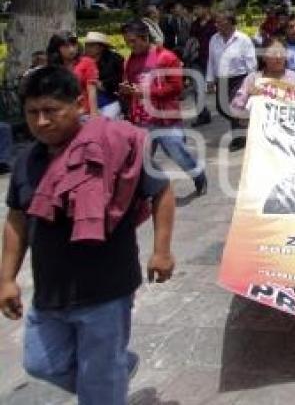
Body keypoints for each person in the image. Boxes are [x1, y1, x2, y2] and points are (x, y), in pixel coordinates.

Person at [0, 66, 176, 404]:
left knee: (99, 387)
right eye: (32, 113)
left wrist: (162, 251)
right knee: (41, 364)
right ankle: (117, 369)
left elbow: (162, 192)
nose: (41, 122)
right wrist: (7, 278)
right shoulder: (27, 161)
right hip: (50, 291)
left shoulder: (117, 144)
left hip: (105, 290)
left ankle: (108, 380)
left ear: (79, 104)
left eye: (51, 111)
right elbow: (17, 219)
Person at [121, 20, 207, 196]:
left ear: (145, 38)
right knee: (141, 157)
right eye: (127, 42)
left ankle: (198, 175)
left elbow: (176, 87)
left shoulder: (166, 57)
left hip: (164, 117)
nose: (131, 45)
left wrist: (145, 92)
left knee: (176, 152)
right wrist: (127, 91)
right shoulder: (130, 60)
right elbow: (132, 84)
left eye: (133, 41)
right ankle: (146, 192)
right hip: (141, 117)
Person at [207, 11, 258, 152]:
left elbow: (251, 63)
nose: (217, 24)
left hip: (239, 78)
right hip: (221, 79)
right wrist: (209, 80)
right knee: (221, 108)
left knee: (234, 107)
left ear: (230, 22)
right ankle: (243, 124)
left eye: (220, 21)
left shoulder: (243, 39)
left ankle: (239, 138)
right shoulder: (214, 39)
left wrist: (253, 81)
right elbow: (211, 61)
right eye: (216, 21)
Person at [230, 37, 295, 119]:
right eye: (273, 53)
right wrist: (247, 97)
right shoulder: (252, 79)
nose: (278, 57)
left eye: (282, 52)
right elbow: (234, 111)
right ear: (264, 57)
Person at [46, 30, 98, 118]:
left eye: (74, 45)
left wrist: (94, 115)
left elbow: (92, 90)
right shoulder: (52, 67)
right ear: (57, 48)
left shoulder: (87, 62)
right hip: (60, 114)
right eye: (66, 46)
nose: (71, 49)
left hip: (83, 114)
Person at [188, 3, 218, 127]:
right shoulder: (194, 24)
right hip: (196, 60)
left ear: (206, 8)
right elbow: (190, 40)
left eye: (198, 7)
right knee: (197, 88)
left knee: (220, 88)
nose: (196, 10)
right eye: (195, 8)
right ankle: (202, 114)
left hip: (211, 60)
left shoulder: (214, 24)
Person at [83, 31, 124, 119]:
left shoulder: (114, 60)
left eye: (91, 45)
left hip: (110, 101)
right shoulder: (82, 61)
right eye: (86, 45)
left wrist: (101, 84)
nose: (87, 48)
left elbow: (119, 80)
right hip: (87, 104)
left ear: (101, 47)